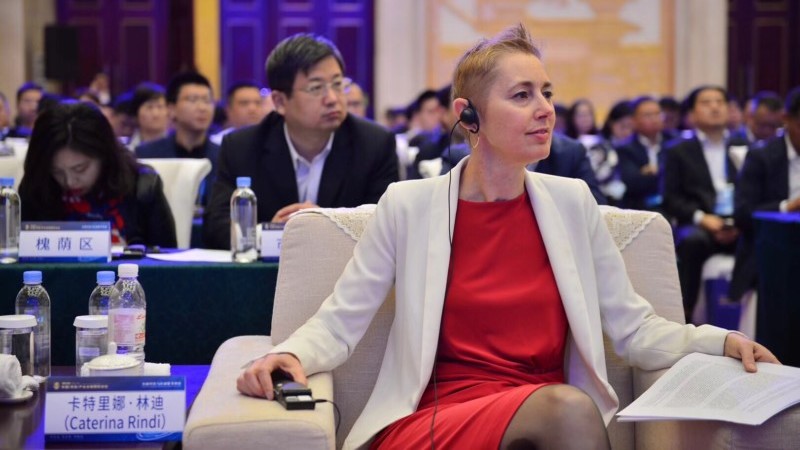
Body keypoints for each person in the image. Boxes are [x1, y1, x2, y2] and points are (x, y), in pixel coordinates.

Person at [237, 24, 777, 450]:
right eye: (522, 95)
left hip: (548, 407)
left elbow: (633, 328)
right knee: (567, 410)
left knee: (565, 409)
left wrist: (718, 340)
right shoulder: (409, 205)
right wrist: (289, 355)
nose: (545, 108)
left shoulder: (572, 202)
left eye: (547, 92)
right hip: (439, 417)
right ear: (467, 115)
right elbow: (341, 320)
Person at [203, 33, 397, 249]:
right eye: (316, 88)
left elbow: (387, 227)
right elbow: (216, 227)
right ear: (279, 101)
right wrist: (269, 234)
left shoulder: (375, 144)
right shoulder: (241, 147)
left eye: (337, 84)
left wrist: (323, 226)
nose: (333, 99)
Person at [18, 102, 176, 247]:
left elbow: (167, 262)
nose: (70, 182)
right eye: (57, 172)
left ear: (104, 155)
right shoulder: (36, 187)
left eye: (80, 169)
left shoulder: (142, 186)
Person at [662, 85, 749, 323]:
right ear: (692, 113)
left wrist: (740, 222)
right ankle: (685, 315)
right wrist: (703, 218)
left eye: (720, 101)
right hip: (700, 223)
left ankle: (754, 312)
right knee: (692, 242)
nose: (715, 107)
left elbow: (752, 192)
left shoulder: (742, 146)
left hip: (738, 223)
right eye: (706, 102)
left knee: (764, 238)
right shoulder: (678, 150)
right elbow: (671, 198)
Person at [730, 86, 800, 302]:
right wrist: (789, 207)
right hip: (774, 248)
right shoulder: (762, 156)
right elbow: (743, 214)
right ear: (786, 119)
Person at [135, 72, 219, 205]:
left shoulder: (224, 156)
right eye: (193, 100)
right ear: (171, 109)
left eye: (207, 101)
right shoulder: (146, 156)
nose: (202, 108)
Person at [617, 96, 673, 211]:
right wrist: (666, 172)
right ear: (633, 120)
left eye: (658, 114)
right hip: (639, 207)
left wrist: (655, 170)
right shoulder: (625, 148)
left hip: (672, 205)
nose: (654, 119)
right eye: (648, 115)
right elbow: (633, 183)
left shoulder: (675, 143)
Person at [128, 82, 170, 149]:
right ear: (136, 113)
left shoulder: (178, 147)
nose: (155, 114)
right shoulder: (127, 148)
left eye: (160, 107)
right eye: (149, 107)